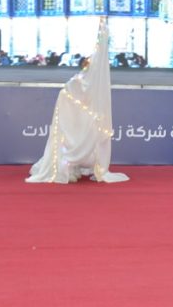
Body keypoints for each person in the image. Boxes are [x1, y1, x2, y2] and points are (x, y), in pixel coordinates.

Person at [26, 18, 129, 184]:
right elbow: (70, 92)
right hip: (76, 119)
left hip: (83, 120)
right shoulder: (79, 81)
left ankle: (73, 164)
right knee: (71, 138)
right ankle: (69, 165)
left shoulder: (88, 82)